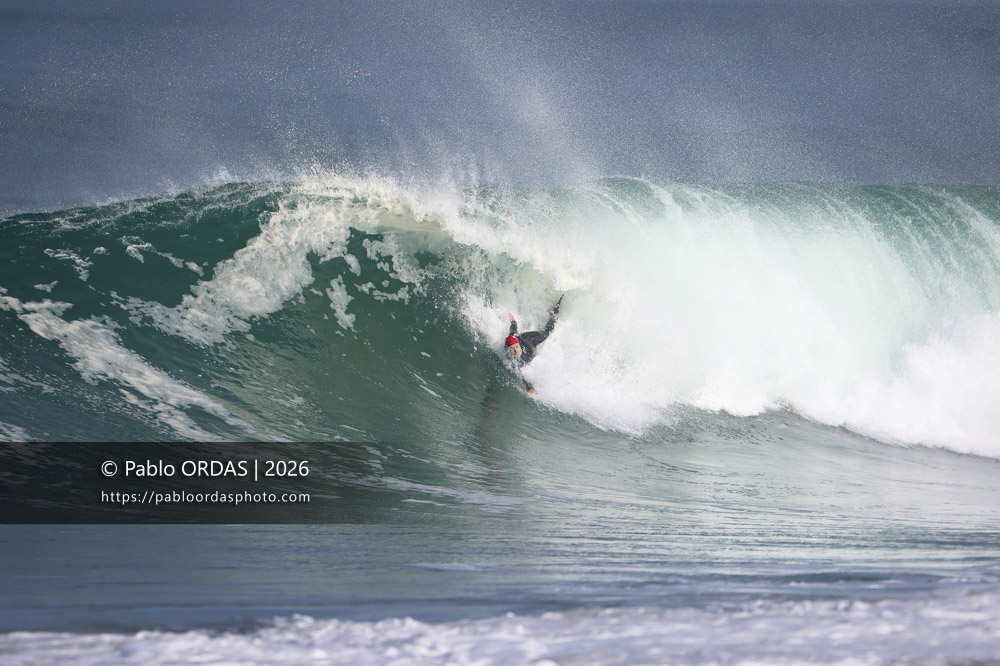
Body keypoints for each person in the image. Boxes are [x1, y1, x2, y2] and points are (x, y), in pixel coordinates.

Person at [504, 295, 562, 395]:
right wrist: (529, 388)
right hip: (517, 340)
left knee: (546, 334)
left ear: (518, 344)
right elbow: (519, 375)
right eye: (512, 349)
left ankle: (554, 313)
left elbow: (514, 326)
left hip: (530, 339)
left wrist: (512, 319)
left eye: (516, 347)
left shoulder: (528, 349)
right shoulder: (511, 357)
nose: (516, 351)